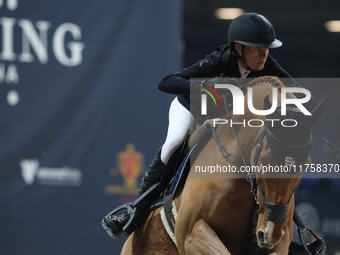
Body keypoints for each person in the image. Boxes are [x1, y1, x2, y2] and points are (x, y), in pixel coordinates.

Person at [104, 12, 294, 237]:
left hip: (224, 120)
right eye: (256, 49)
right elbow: (167, 82)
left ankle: (292, 224)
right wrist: (203, 88)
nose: (264, 54)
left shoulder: (267, 64)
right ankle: (136, 209)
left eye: (266, 49)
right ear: (239, 49)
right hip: (191, 109)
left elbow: (294, 88)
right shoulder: (218, 60)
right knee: (174, 142)